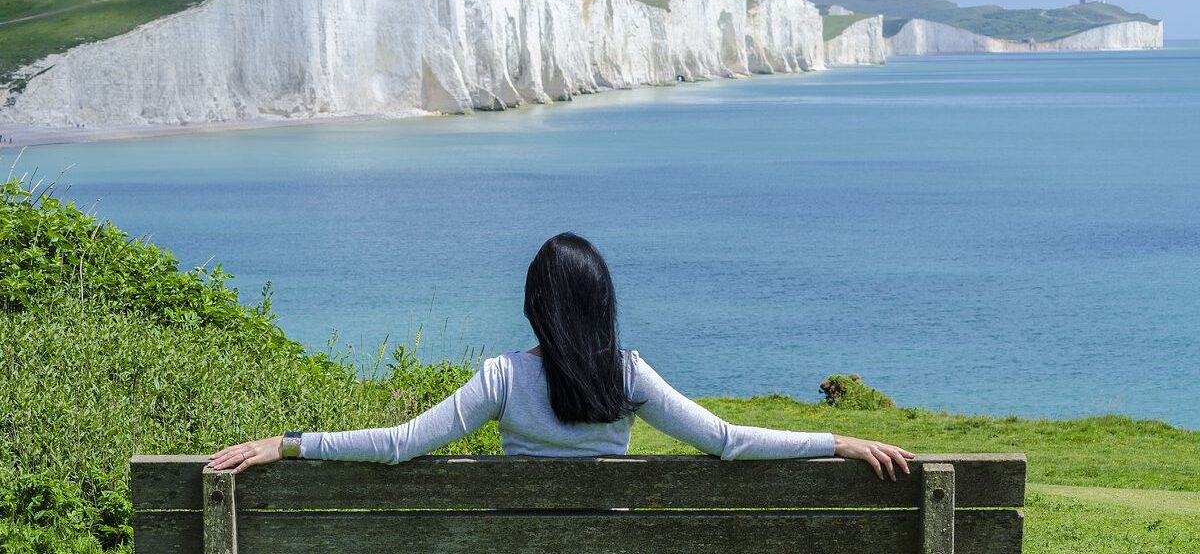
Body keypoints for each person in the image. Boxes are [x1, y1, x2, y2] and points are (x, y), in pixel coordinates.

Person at [209, 233, 914, 480]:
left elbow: (398, 446)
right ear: (601, 303)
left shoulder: (502, 378)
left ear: (535, 305)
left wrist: (289, 443)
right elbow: (727, 442)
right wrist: (837, 440)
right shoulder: (628, 373)